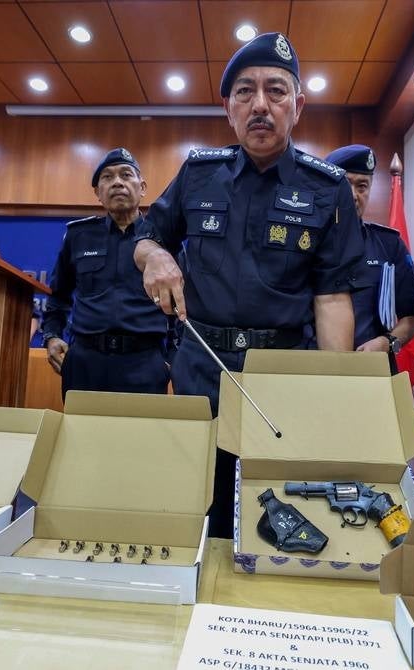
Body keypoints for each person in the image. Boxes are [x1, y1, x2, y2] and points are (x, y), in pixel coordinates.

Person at [133, 32, 363, 537]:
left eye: (276, 91)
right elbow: (146, 237)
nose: (261, 105)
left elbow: (332, 299)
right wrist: (155, 256)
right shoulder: (198, 174)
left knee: (278, 509)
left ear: (298, 105)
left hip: (279, 373)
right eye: (245, 91)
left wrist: (337, 393)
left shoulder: (327, 189)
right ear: (227, 107)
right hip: (202, 371)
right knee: (198, 507)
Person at [41, 148, 170, 396]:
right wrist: (52, 336)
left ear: (142, 187)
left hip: (145, 364)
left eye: (126, 175)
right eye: (107, 177)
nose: (118, 182)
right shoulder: (78, 236)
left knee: (143, 435)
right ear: (98, 193)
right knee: (81, 434)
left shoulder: (164, 238)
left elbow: (181, 303)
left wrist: (172, 359)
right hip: (85, 364)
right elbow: (58, 296)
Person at [326, 145, 414, 373]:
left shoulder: (389, 245)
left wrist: (387, 342)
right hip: (314, 371)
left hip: (373, 372)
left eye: (362, 186)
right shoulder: (305, 244)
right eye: (345, 183)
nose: (353, 195)